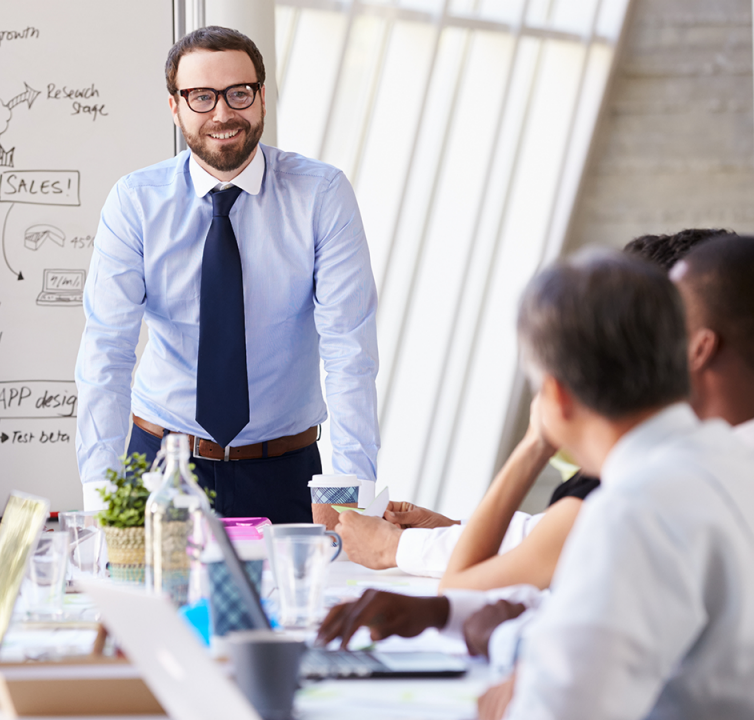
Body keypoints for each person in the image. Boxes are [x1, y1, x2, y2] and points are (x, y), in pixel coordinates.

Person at [325, 249, 754, 719]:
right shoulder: (729, 460)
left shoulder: (633, 513)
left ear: (556, 396)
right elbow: (604, 620)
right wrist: (447, 614)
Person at [75, 26, 379, 523]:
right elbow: (106, 352)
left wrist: (346, 501)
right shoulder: (135, 202)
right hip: (159, 468)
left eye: (240, 93)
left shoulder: (321, 196)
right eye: (201, 97)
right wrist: (101, 498)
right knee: (151, 601)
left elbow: (350, 352)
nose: (223, 113)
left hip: (285, 470)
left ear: (262, 97)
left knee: (301, 601)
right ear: (175, 106)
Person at [338, 227, 736, 584]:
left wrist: (398, 548)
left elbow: (475, 583)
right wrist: (454, 528)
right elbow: (545, 538)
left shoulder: (635, 495)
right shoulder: (701, 457)